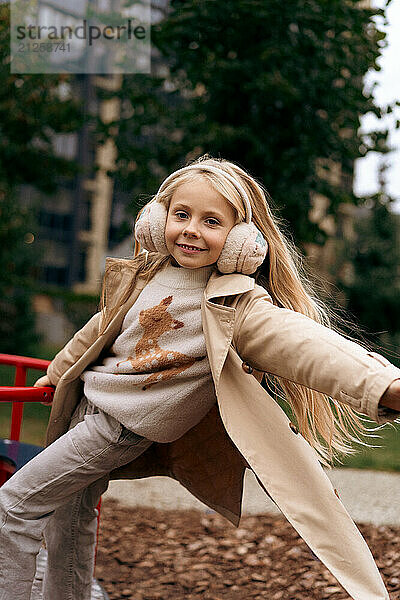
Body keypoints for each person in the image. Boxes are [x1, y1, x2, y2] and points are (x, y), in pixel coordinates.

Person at [0, 155, 399, 600]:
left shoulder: (232, 303)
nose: (191, 229)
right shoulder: (147, 274)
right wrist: (55, 374)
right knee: (69, 520)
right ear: (158, 218)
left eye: (212, 221)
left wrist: (383, 385)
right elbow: (99, 328)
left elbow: (304, 345)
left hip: (118, 428)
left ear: (242, 241)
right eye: (181, 215)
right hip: (88, 408)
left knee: (14, 506)